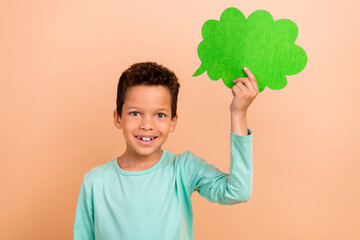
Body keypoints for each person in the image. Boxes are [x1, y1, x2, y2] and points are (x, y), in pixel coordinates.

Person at [73, 62, 259, 240]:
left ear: (173, 122)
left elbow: (239, 191)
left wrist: (238, 113)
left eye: (160, 115)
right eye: (135, 113)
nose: (147, 125)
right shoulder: (95, 182)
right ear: (118, 118)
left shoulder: (183, 169)